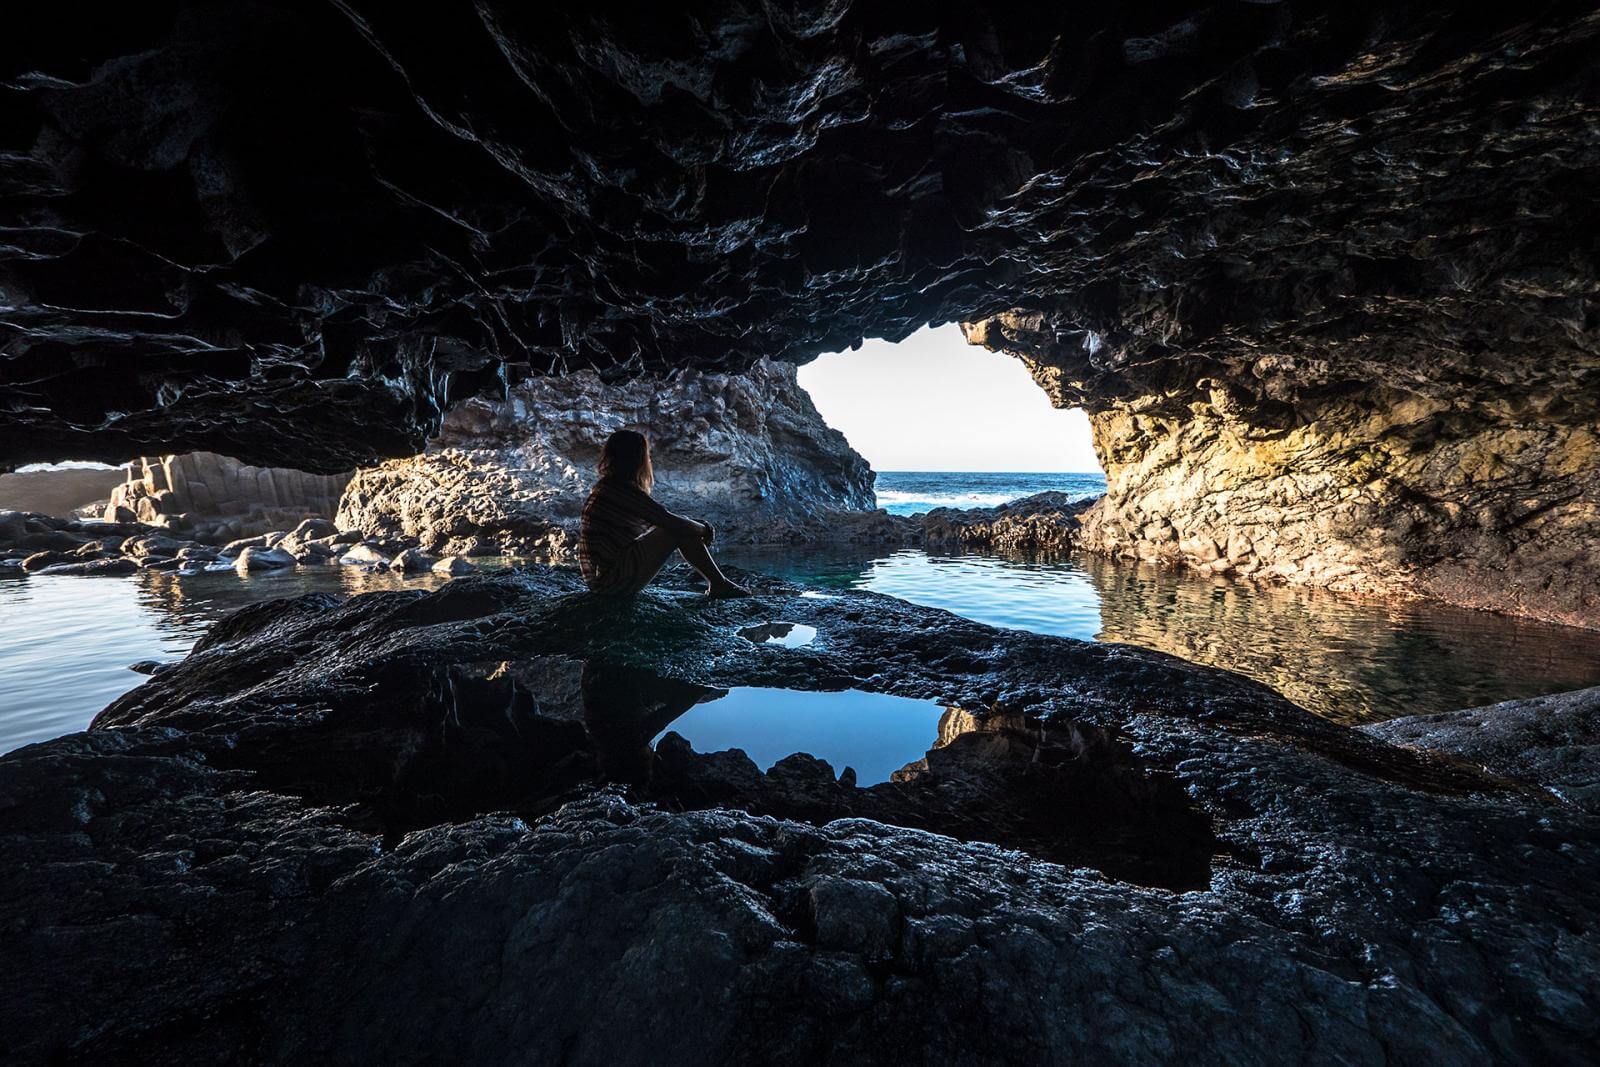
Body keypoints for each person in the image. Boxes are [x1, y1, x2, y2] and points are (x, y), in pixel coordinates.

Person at [579, 429, 750, 598]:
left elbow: (665, 519)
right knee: (676, 530)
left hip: (603, 581)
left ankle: (719, 583)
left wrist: (696, 525)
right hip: (612, 583)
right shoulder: (619, 490)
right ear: (636, 459)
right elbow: (669, 522)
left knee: (682, 526)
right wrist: (705, 529)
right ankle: (719, 584)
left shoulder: (607, 487)